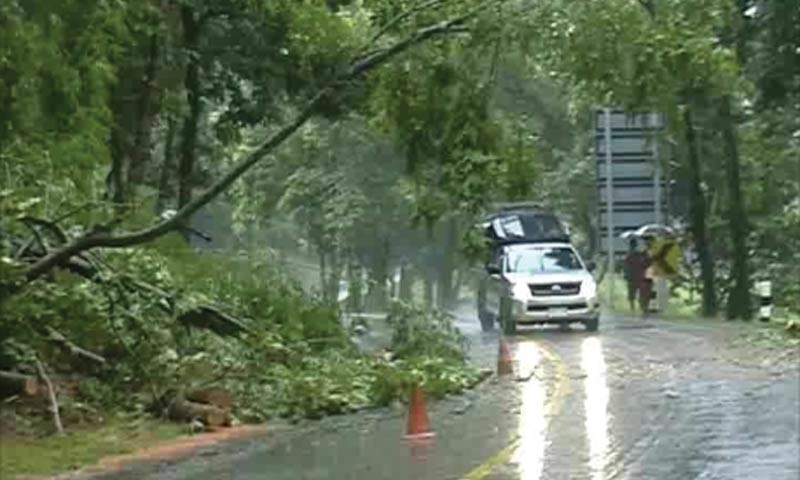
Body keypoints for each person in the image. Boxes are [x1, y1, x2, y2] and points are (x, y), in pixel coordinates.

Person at [623, 238, 649, 313]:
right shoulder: (638, 255)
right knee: (640, 293)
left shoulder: (629, 255)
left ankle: (634, 309)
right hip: (639, 276)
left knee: (633, 294)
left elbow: (626, 266)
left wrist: (626, 274)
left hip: (633, 276)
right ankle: (641, 308)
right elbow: (644, 264)